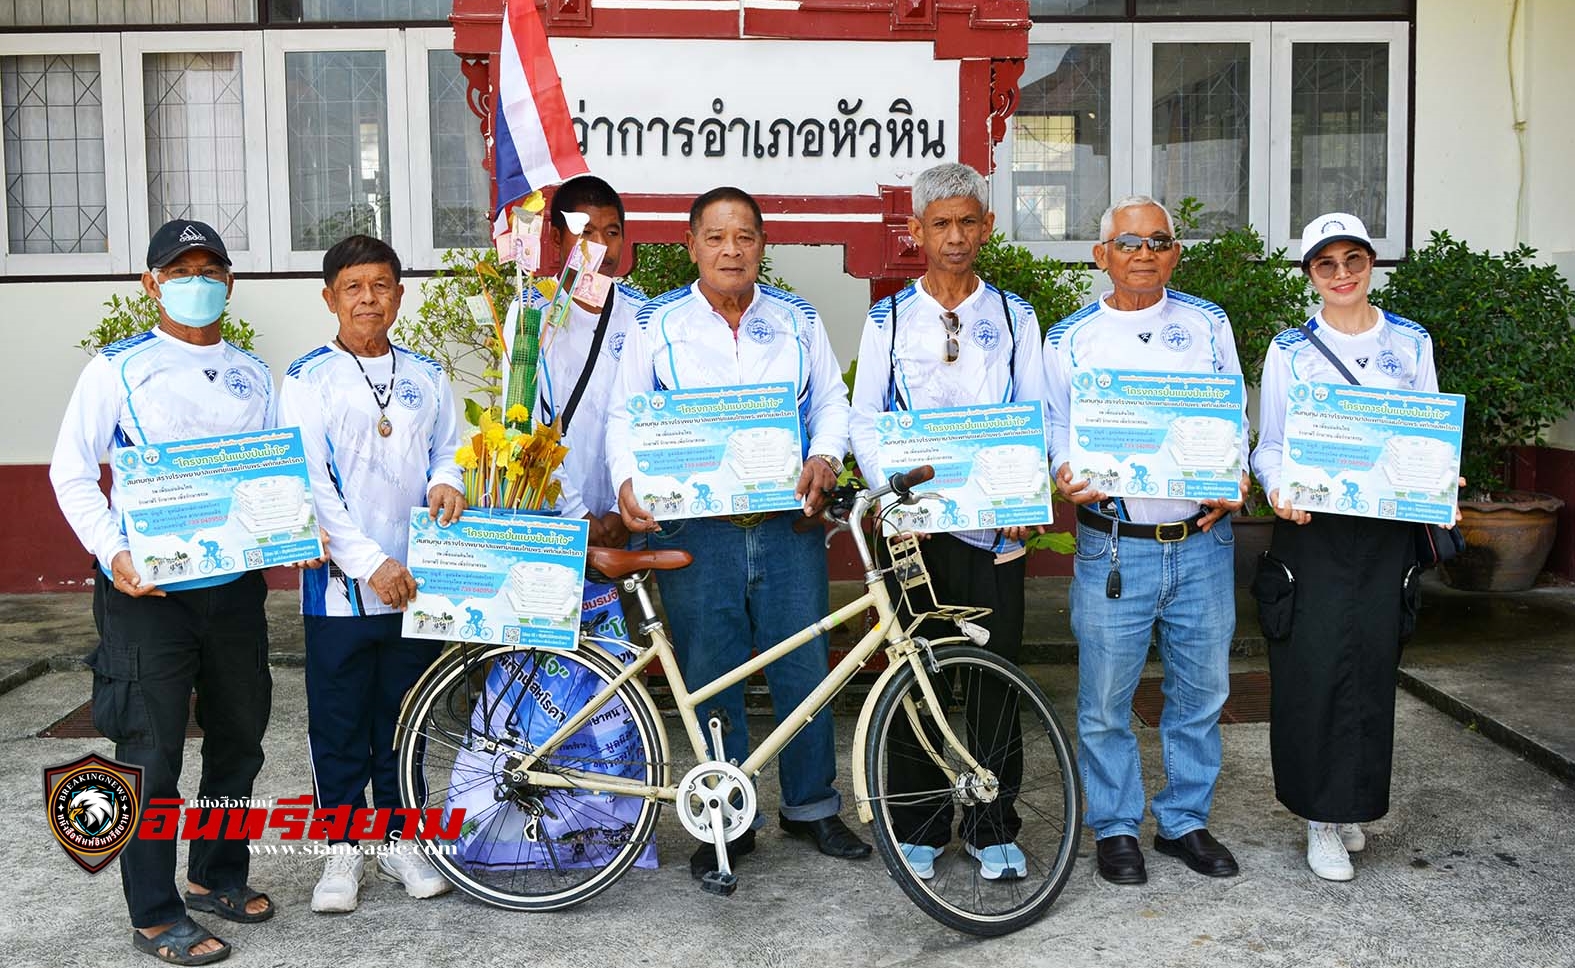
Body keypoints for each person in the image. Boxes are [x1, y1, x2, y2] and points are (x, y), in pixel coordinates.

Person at [51, 219, 311, 964]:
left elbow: (270, 477)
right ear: (152, 283)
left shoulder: (253, 374)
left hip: (233, 590)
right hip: (147, 597)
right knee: (150, 753)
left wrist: (292, 529)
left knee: (239, 741)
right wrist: (114, 550)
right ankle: (156, 913)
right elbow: (71, 472)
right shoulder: (118, 368)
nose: (196, 281)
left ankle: (215, 875)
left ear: (228, 282)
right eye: (181, 269)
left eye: (210, 269)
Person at [605, 186, 869, 879]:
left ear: (761, 246)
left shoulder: (796, 319)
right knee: (712, 672)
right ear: (690, 245)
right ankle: (728, 815)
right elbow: (622, 417)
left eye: (744, 237)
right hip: (699, 531)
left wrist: (823, 455)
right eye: (715, 237)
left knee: (803, 670)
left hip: (787, 527)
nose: (730, 250)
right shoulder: (655, 324)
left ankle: (811, 807)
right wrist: (627, 480)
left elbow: (831, 406)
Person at [848, 162, 1049, 881]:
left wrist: (1027, 498)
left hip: (994, 533)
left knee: (995, 675)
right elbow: (864, 420)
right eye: (940, 224)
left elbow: (1036, 417)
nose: (955, 236)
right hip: (917, 534)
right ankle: (921, 822)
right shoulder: (888, 318)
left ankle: (994, 823)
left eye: (968, 222)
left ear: (986, 228)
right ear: (915, 233)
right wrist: (894, 500)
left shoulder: (1016, 317)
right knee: (916, 679)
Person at [1043, 195, 1247, 886]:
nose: (1142, 254)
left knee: (1201, 691)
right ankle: (1116, 825)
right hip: (1113, 545)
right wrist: (1062, 473)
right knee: (1104, 699)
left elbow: (1233, 417)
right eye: (1126, 243)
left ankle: (1184, 819)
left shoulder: (1207, 325)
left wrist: (1234, 474)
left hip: (1200, 541)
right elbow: (1052, 430)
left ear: (1174, 253)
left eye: (1157, 241)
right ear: (1100, 256)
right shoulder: (1069, 338)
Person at [1250, 212, 1443, 882]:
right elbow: (1269, 445)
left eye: (1352, 261)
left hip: (1384, 532)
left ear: (1370, 265)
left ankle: (1352, 803)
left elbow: (1426, 434)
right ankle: (1317, 818)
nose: (1341, 276)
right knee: (1312, 671)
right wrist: (1277, 488)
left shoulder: (1410, 344)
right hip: (1314, 532)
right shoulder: (1289, 350)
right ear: (1309, 274)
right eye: (1325, 265)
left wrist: (1439, 474)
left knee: (1368, 667)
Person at [278, 235, 466, 913]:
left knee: (401, 721)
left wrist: (448, 481)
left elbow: (453, 446)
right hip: (340, 591)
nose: (367, 297)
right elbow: (313, 487)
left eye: (380, 284)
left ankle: (398, 840)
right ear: (330, 298)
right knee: (338, 723)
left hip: (415, 586)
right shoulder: (307, 379)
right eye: (353, 286)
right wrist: (370, 564)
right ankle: (341, 852)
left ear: (398, 294)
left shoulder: (426, 374)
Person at [508, 174, 645, 548]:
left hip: (628, 515)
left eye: (613, 232)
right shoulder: (529, 311)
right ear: (556, 239)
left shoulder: (641, 314)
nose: (602, 247)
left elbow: (650, 417)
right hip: (552, 517)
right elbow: (522, 419)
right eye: (586, 234)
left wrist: (623, 507)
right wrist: (575, 513)